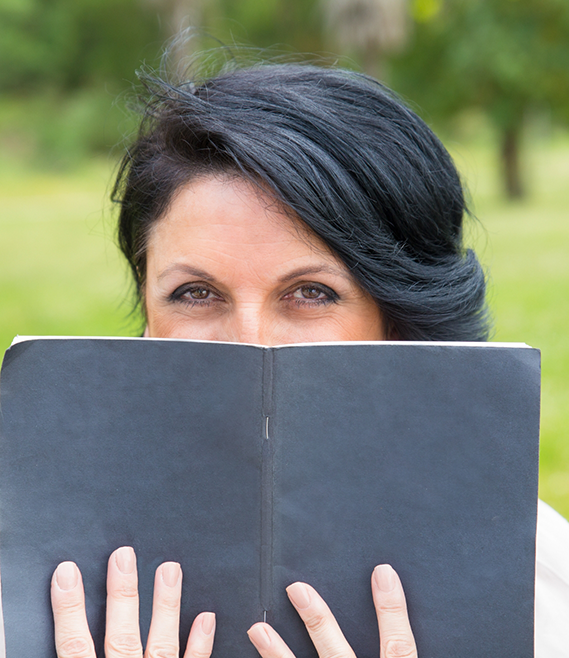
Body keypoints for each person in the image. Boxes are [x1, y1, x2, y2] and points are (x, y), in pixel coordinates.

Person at [46, 62, 569, 658]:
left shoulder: (543, 589)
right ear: (145, 315)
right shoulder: (41, 574)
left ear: (398, 322)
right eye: (195, 293)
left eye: (311, 293)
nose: (250, 342)